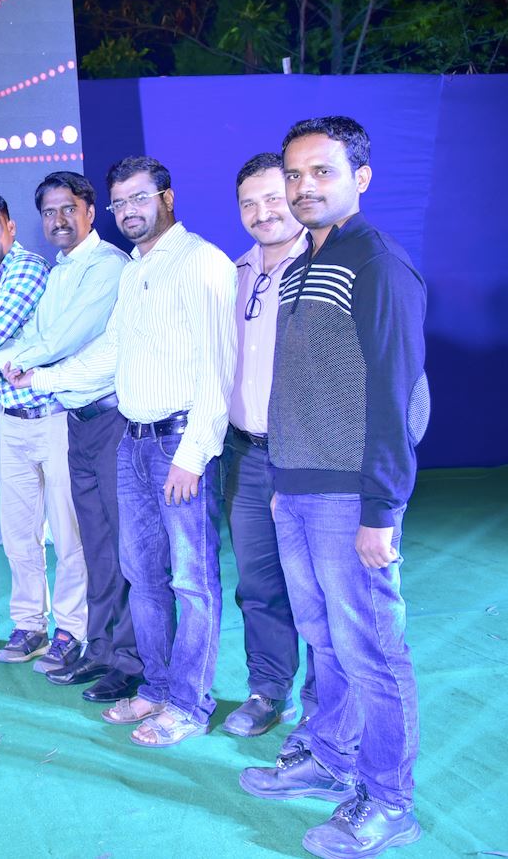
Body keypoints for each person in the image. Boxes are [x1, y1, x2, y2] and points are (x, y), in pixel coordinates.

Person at [240, 116, 427, 859]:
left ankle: (388, 802)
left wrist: (381, 509)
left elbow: (396, 394)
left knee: (371, 650)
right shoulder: (297, 266)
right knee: (324, 640)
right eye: (294, 173)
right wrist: (282, 478)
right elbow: (300, 385)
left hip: (352, 496)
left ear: (361, 177)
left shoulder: (377, 262)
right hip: (296, 489)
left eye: (323, 171)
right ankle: (329, 758)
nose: (303, 186)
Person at [70, 157, 236, 747]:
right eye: (119, 203)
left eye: (139, 198)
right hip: (133, 441)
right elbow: (110, 352)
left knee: (192, 580)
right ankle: (159, 687)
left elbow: (219, 366)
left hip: (179, 444)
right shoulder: (134, 270)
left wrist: (195, 452)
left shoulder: (202, 262)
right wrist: (37, 377)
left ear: (167, 196)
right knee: (142, 576)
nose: (129, 211)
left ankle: (190, 704)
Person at [0, 170, 139, 701]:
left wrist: (5, 361)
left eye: (67, 209)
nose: (58, 220)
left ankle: (131, 659)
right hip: (76, 420)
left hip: (112, 421)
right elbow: (39, 334)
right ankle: (100, 649)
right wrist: (13, 358)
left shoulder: (108, 266)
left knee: (121, 547)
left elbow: (63, 338)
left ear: (90, 211)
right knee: (93, 543)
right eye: (49, 212)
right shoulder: (60, 271)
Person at [221, 153, 317, 740]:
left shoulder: (326, 267)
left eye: (273, 198)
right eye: (248, 203)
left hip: (307, 459)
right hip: (245, 456)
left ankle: (326, 707)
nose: (262, 213)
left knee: (318, 588)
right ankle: (268, 690)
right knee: (258, 586)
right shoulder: (233, 273)